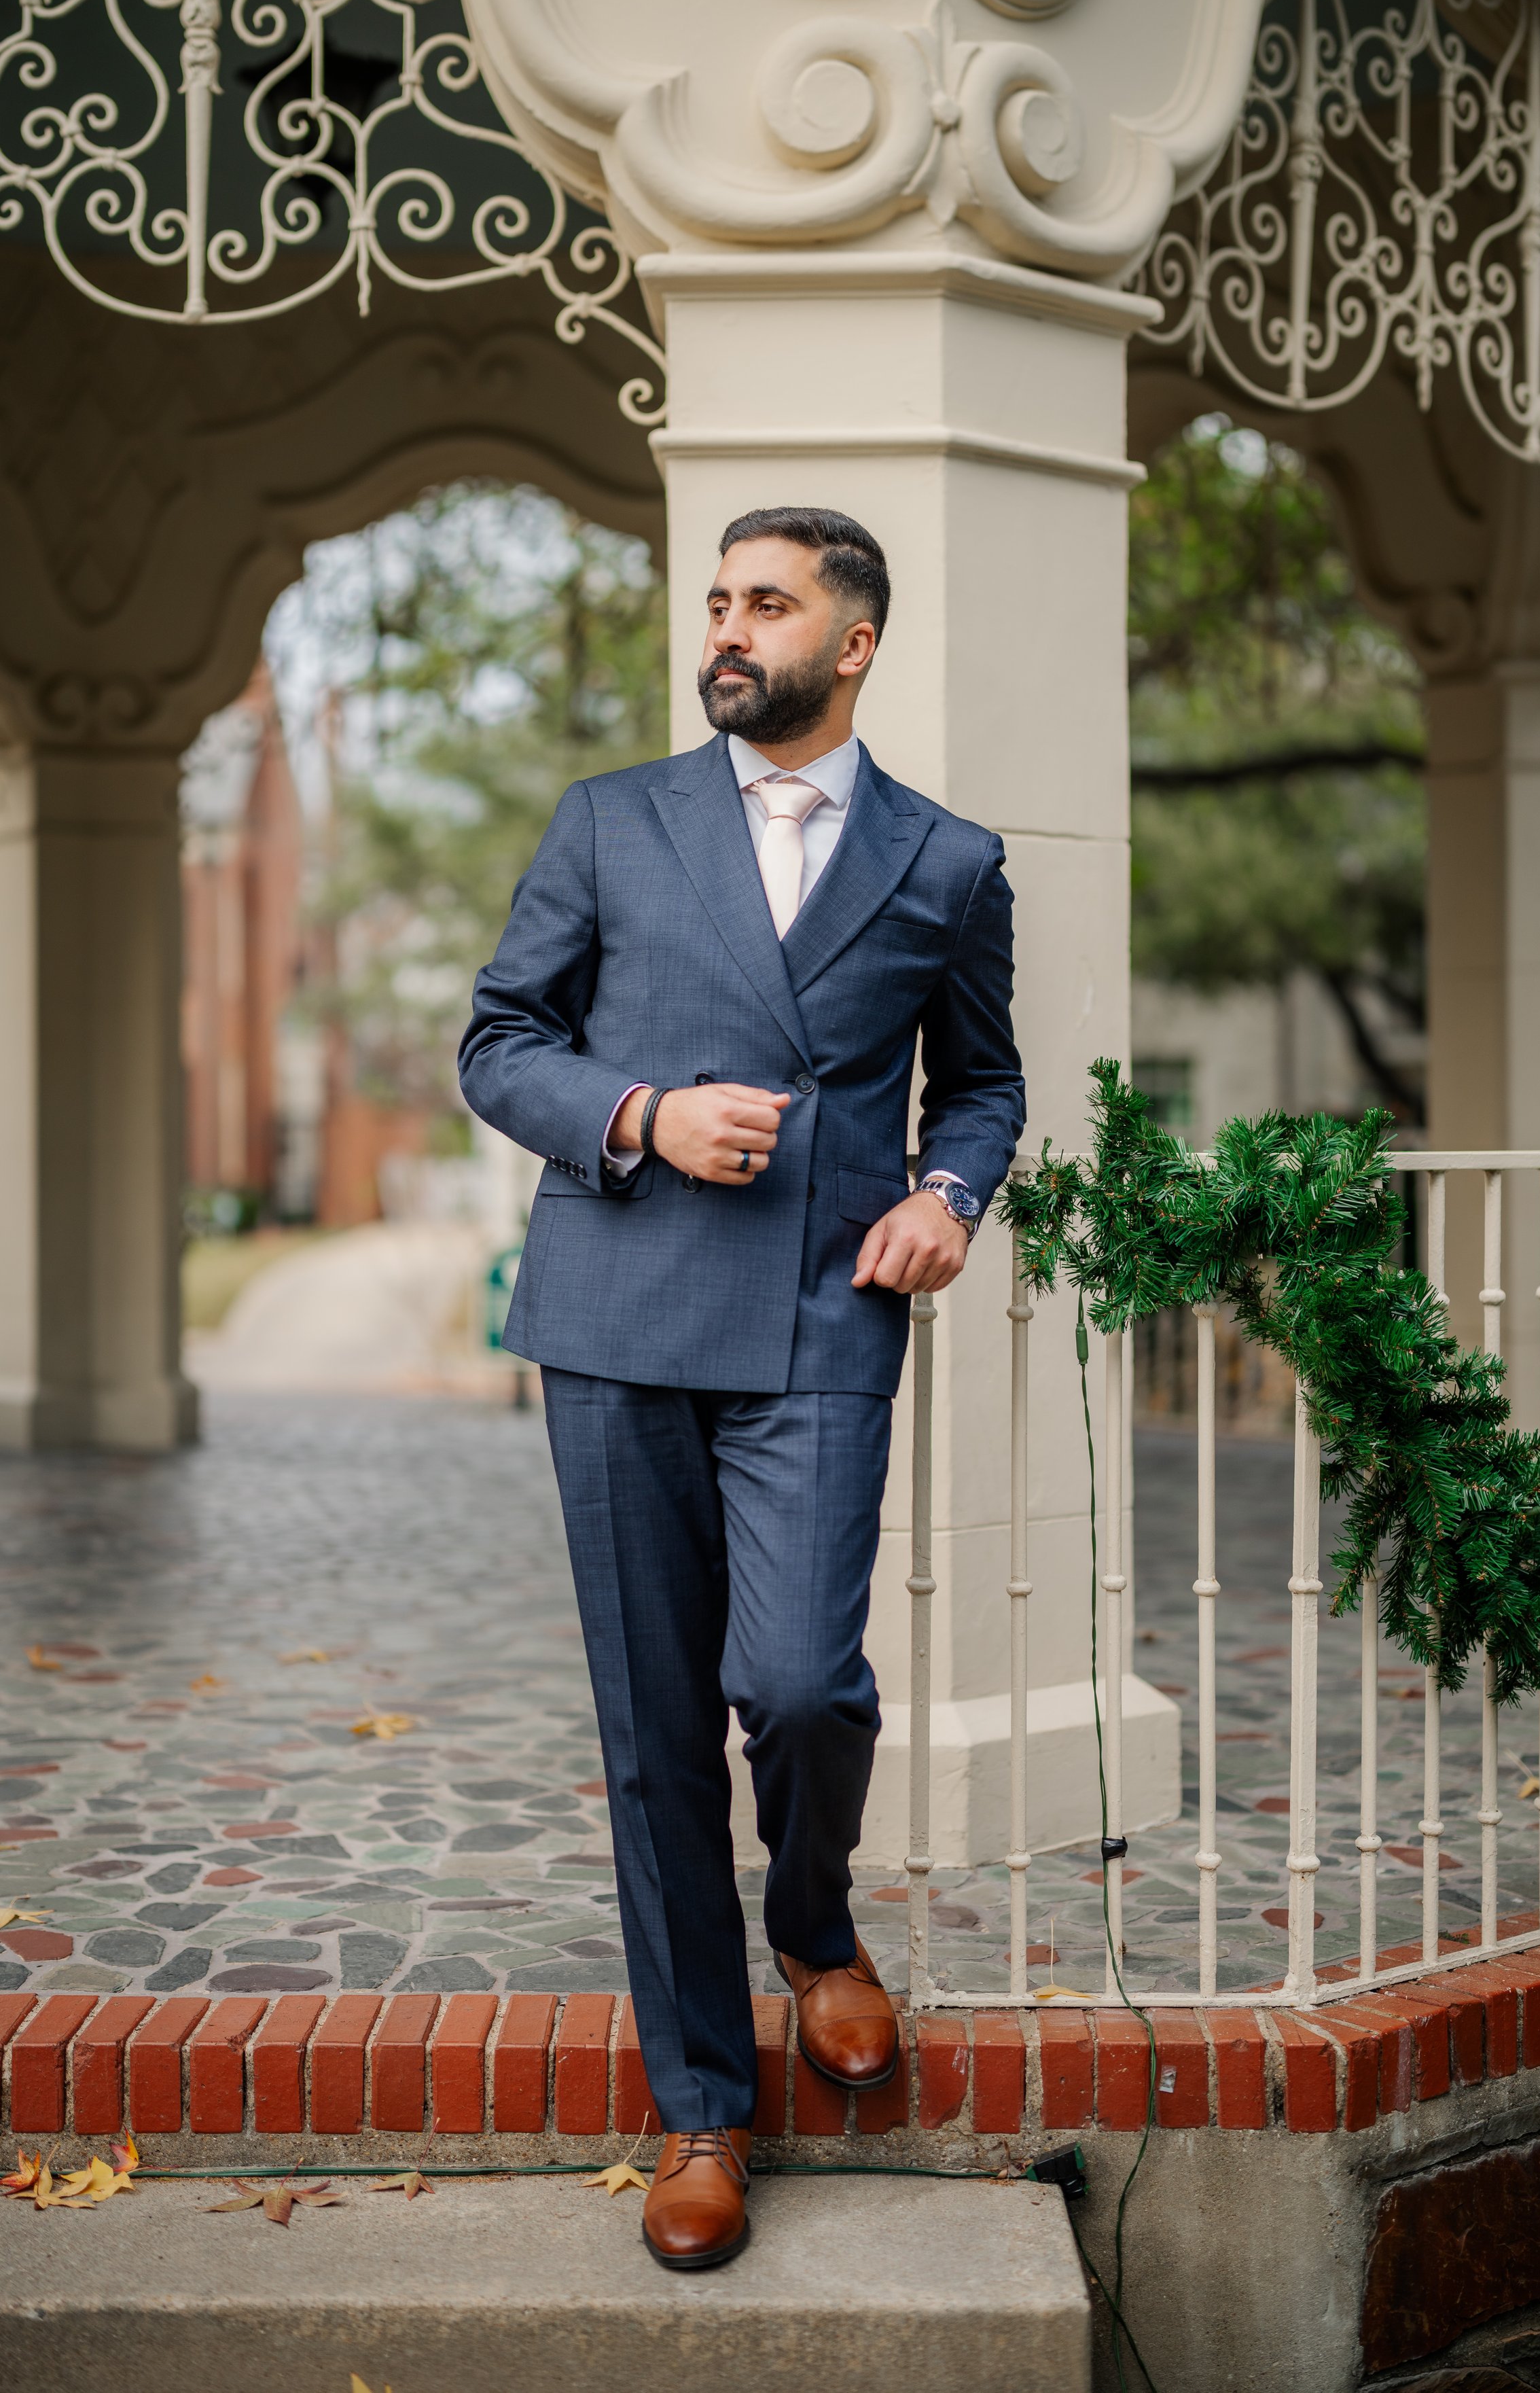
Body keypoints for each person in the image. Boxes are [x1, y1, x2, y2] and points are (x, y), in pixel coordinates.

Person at [459, 506, 1023, 2268]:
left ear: (849, 644)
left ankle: (813, 1924)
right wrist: (637, 1117)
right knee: (650, 1743)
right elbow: (498, 1041)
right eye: (715, 600)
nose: (727, 627)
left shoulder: (945, 862)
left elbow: (985, 1085)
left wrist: (946, 1197)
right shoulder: (611, 823)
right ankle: (704, 2111)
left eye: (764, 604)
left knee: (792, 1683)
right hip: (618, 1313)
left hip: (815, 1322)